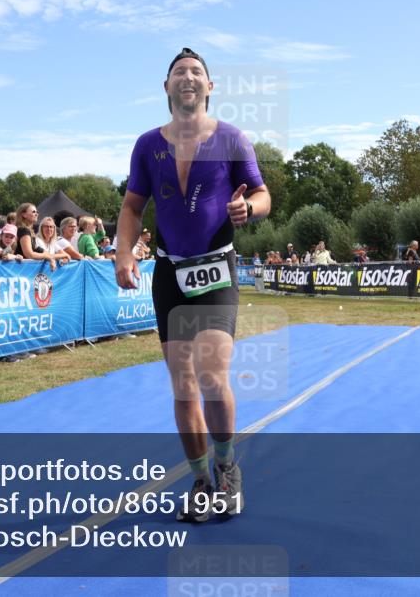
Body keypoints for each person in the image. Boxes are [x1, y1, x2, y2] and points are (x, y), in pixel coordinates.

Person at [115, 47, 271, 523]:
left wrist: (249, 208)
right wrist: (123, 252)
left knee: (211, 374)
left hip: (216, 268)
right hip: (170, 273)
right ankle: (201, 479)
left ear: (210, 86)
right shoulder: (147, 144)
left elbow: (262, 194)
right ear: (166, 86)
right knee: (183, 385)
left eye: (196, 71)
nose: (188, 76)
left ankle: (227, 469)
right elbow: (132, 206)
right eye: (179, 71)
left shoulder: (231, 138)